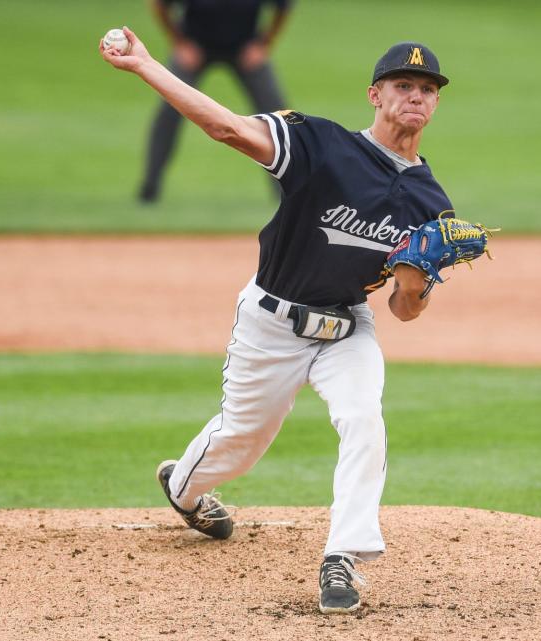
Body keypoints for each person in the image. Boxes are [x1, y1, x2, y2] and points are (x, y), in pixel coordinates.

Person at [101, 29, 454, 614]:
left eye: (426, 88)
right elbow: (228, 127)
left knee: (364, 418)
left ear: (436, 103)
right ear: (375, 93)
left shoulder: (430, 201)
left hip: (349, 328)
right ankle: (183, 487)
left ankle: (341, 559)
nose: (415, 95)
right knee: (242, 442)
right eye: (402, 85)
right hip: (271, 322)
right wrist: (145, 66)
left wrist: (417, 284)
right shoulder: (321, 144)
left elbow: (404, 309)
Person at [138, 0, 293, 203]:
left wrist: (264, 44)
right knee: (168, 111)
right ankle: (150, 187)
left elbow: (284, 7)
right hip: (195, 46)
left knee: (280, 117)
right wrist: (179, 43)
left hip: (245, 47)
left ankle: (290, 189)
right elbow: (158, 4)